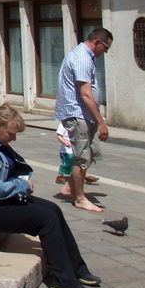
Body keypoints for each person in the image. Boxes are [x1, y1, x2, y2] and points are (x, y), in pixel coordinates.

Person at [0, 102, 100, 288]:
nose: (14, 138)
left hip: (3, 201)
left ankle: (78, 269)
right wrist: (22, 186)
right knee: (46, 219)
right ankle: (65, 282)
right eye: (11, 134)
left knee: (54, 209)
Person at [54, 27, 112, 212]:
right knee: (81, 157)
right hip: (78, 113)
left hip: (83, 115)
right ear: (97, 42)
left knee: (91, 152)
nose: (106, 52)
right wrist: (101, 122)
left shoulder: (83, 56)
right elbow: (85, 94)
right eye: (106, 47)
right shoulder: (81, 58)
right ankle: (79, 198)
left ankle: (70, 187)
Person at [55, 123, 99, 188]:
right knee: (67, 165)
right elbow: (59, 135)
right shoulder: (63, 125)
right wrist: (64, 142)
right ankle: (60, 177)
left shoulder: (76, 124)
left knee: (79, 163)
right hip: (66, 151)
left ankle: (84, 176)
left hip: (76, 149)